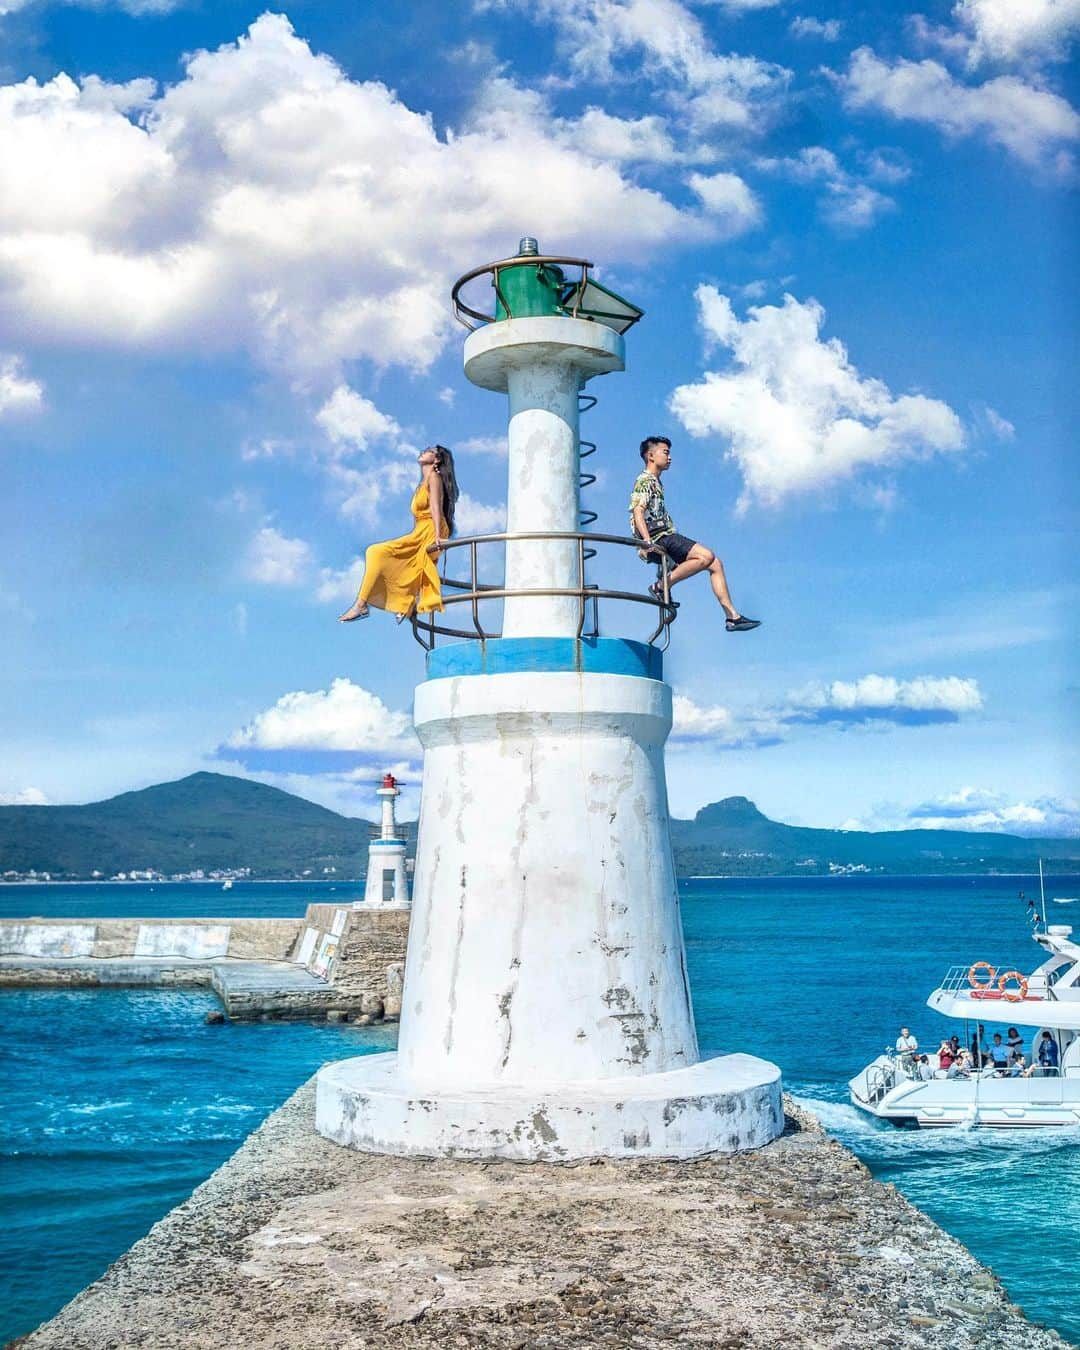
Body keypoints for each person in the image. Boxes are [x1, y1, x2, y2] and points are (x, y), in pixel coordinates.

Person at [628, 437, 760, 632]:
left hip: (665, 534)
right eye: (665, 452)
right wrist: (647, 542)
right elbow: (638, 511)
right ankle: (661, 586)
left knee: (715, 564)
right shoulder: (645, 480)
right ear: (651, 455)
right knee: (706, 556)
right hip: (659, 537)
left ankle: (733, 617)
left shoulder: (656, 482)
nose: (670, 457)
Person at [339, 445, 459, 624]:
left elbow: (436, 506)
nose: (422, 451)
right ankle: (404, 603)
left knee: (377, 552)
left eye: (428, 451)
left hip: (431, 529)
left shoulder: (434, 477)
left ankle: (362, 604)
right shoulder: (422, 484)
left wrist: (436, 535)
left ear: (436, 460)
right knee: (394, 558)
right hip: (420, 529)